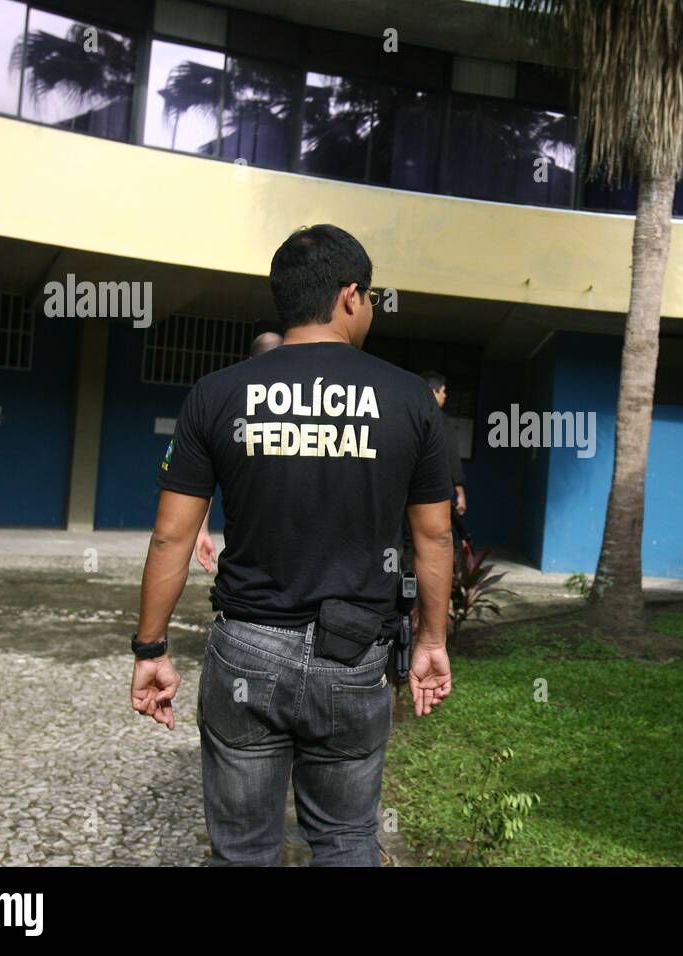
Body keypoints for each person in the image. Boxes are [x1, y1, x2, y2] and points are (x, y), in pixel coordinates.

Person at [129, 224, 455, 867]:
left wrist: (151, 648)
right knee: (345, 839)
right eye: (370, 299)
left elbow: (170, 533)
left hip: (246, 650)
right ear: (351, 296)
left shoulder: (217, 393)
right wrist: (433, 642)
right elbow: (435, 535)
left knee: (243, 850)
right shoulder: (411, 399)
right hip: (355, 656)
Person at [194, 324, 283, 572]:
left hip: (243, 554)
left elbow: (202, 480)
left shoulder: (223, 404)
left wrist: (201, 531)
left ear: (250, 360)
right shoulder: (303, 404)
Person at [419, 370, 470, 546]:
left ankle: (408, 573)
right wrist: (460, 491)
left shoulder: (409, 416)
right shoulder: (440, 420)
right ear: (433, 392)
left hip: (407, 491)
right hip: (434, 491)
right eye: (443, 391)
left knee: (411, 539)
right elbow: (451, 455)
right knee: (438, 539)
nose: (445, 395)